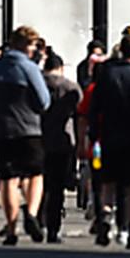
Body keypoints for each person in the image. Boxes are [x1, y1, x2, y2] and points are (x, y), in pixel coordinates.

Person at [0, 26, 51, 246]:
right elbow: (43, 101)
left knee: (7, 180)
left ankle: (11, 230)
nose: (33, 50)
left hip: (2, 131)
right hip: (29, 129)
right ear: (25, 45)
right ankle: (30, 212)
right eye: (31, 45)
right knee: (35, 175)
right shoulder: (29, 68)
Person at [89, 35, 130, 250]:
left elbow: (95, 107)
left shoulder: (107, 75)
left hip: (109, 135)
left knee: (108, 182)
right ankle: (129, 230)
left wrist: (94, 133)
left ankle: (105, 216)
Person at [40, 53, 80, 243]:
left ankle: (37, 217)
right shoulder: (70, 87)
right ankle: (53, 228)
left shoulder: (37, 84)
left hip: (39, 139)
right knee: (57, 188)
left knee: (39, 184)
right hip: (64, 142)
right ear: (61, 68)